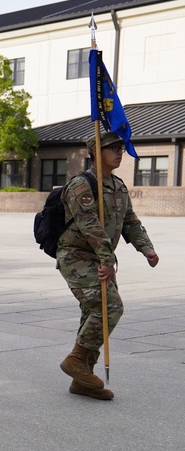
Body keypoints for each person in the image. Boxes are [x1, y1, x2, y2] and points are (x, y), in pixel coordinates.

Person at [56, 132, 159, 400]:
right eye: (112, 148)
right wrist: (107, 259)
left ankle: (83, 379)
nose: (119, 152)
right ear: (95, 152)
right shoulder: (81, 185)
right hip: (77, 256)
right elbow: (88, 225)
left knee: (93, 311)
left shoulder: (118, 186)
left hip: (100, 257)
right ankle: (76, 360)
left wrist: (146, 248)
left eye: (120, 147)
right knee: (110, 306)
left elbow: (130, 222)